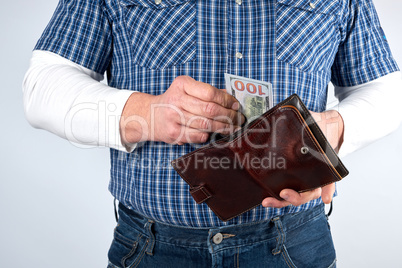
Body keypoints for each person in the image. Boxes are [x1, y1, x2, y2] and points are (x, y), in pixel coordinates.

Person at [23, 0, 402, 267]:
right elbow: (42, 88)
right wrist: (146, 113)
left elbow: (388, 91)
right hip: (152, 249)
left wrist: (332, 131)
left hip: (296, 245)